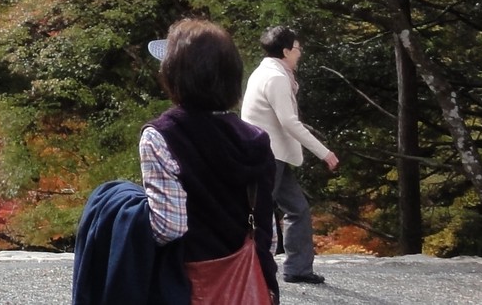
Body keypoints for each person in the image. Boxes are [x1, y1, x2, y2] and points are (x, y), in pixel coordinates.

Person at [142, 18, 278, 305]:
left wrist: (118, 210)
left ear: (174, 74)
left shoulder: (162, 136)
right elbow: (270, 234)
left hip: (191, 288)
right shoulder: (256, 138)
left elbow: (168, 227)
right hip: (254, 288)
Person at [240, 25, 338, 286]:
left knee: (297, 209)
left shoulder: (266, 72)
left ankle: (297, 268)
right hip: (269, 156)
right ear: (285, 51)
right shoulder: (276, 78)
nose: (299, 54)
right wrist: (324, 152)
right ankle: (248, 269)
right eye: (297, 49)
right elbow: (289, 122)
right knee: (258, 215)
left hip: (271, 154)